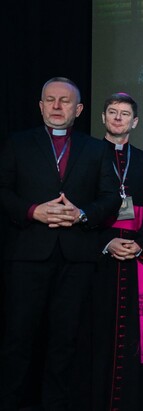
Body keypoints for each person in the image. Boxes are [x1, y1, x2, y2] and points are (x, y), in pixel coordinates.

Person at [0, 77, 121, 410]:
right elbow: (3, 192)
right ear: (40, 106)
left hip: (76, 259)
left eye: (64, 101)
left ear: (78, 109)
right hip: (28, 256)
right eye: (50, 100)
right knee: (18, 341)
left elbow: (111, 198)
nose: (56, 106)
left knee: (65, 343)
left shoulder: (97, 149)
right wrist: (32, 211)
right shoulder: (17, 143)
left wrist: (83, 214)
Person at [91, 92, 143, 410]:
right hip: (97, 260)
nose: (118, 118)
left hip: (135, 259)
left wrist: (140, 244)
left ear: (134, 122)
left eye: (124, 114)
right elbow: (81, 208)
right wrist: (106, 241)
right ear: (103, 117)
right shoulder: (88, 156)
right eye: (112, 112)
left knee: (133, 340)